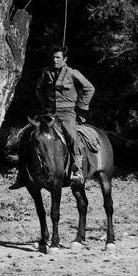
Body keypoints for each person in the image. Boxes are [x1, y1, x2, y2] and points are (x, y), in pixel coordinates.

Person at [35, 46, 95, 186]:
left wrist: (80, 107)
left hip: (67, 113)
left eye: (58, 57)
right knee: (32, 134)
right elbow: (38, 89)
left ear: (65, 59)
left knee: (73, 138)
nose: (55, 60)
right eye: (53, 57)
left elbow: (89, 88)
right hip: (50, 113)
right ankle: (24, 174)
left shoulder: (73, 73)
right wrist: (44, 106)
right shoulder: (46, 72)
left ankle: (77, 169)